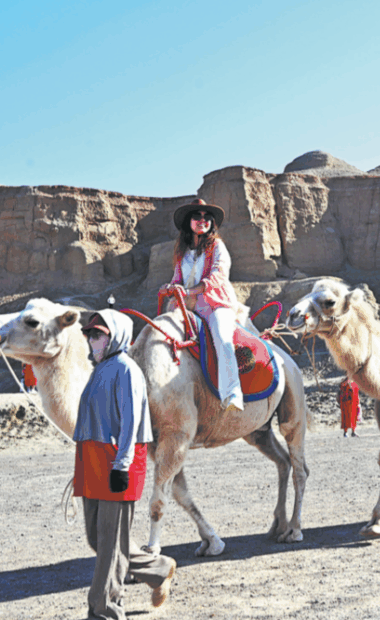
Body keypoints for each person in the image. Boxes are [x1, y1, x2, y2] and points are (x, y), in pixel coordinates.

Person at [74, 310, 176, 619]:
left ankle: (104, 609)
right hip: (94, 462)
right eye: (89, 334)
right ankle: (158, 569)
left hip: (117, 463)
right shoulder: (100, 369)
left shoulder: (126, 369)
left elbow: (130, 421)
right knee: (99, 537)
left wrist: (122, 463)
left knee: (108, 545)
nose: (91, 340)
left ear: (115, 334)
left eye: (97, 334)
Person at [161, 197, 244, 412]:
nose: (202, 220)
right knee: (164, 332)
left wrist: (190, 291)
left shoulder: (217, 246)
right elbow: (177, 278)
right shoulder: (182, 253)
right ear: (189, 221)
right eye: (197, 216)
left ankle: (233, 393)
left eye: (207, 217)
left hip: (215, 304)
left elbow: (219, 275)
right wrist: (170, 287)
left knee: (222, 338)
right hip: (188, 306)